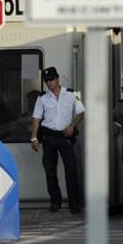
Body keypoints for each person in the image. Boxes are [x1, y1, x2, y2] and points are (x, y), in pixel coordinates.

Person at [31, 67, 85, 214]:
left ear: (57, 78)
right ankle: (55, 201)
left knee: (71, 170)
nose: (49, 83)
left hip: (65, 137)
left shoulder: (71, 94)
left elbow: (81, 113)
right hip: (49, 137)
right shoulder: (42, 98)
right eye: (46, 80)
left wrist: (72, 126)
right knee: (50, 170)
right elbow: (36, 118)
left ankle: (74, 204)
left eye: (51, 79)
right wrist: (34, 137)